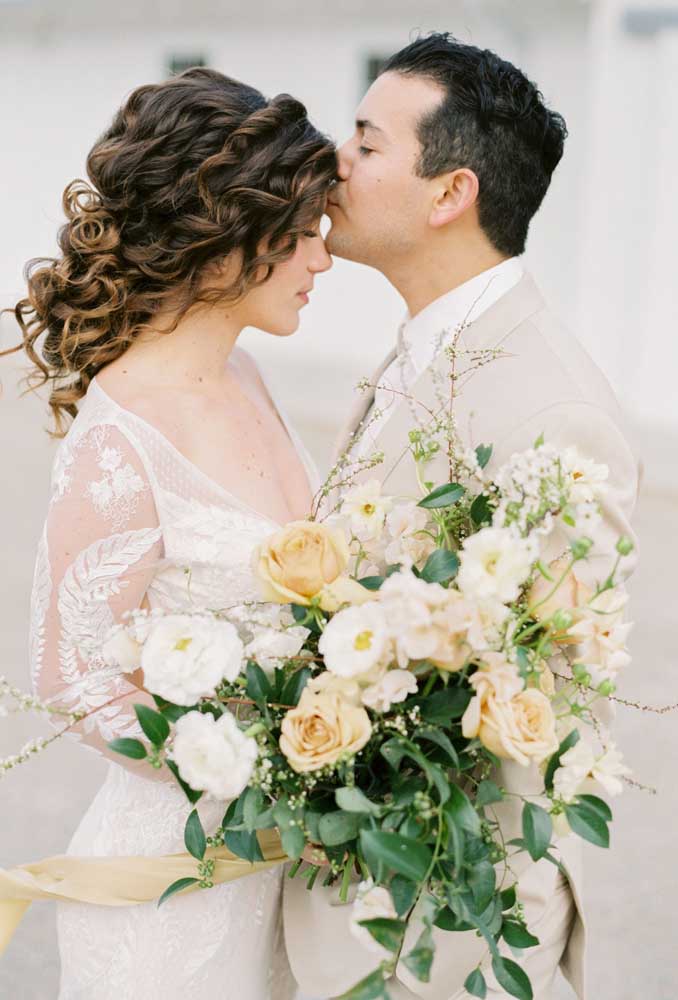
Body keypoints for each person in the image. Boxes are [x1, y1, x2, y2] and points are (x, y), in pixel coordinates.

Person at [282, 33, 639, 1000]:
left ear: (450, 194)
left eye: (365, 142)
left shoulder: (555, 413)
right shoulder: (428, 342)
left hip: (431, 936)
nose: (334, 163)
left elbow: (545, 719)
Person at [3, 66, 335, 998]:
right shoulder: (125, 428)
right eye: (304, 234)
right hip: (167, 893)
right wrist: (251, 764)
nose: (324, 259)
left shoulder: (250, 381)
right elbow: (72, 676)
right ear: (225, 238)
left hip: (282, 871)